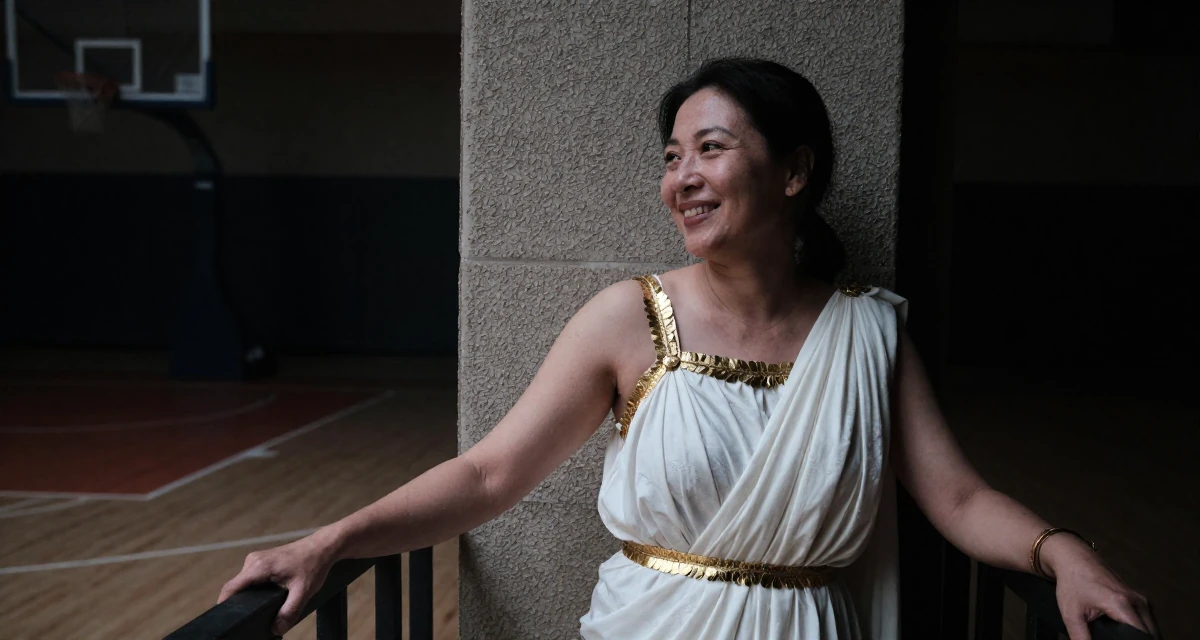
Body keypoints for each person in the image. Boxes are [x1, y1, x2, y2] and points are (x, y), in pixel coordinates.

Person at [218, 58, 1159, 639]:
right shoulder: (628, 317)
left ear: (794, 172)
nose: (683, 178)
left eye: (709, 149)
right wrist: (330, 543)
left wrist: (1064, 555)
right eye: (671, 157)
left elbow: (956, 497)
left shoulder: (868, 331)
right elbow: (488, 475)